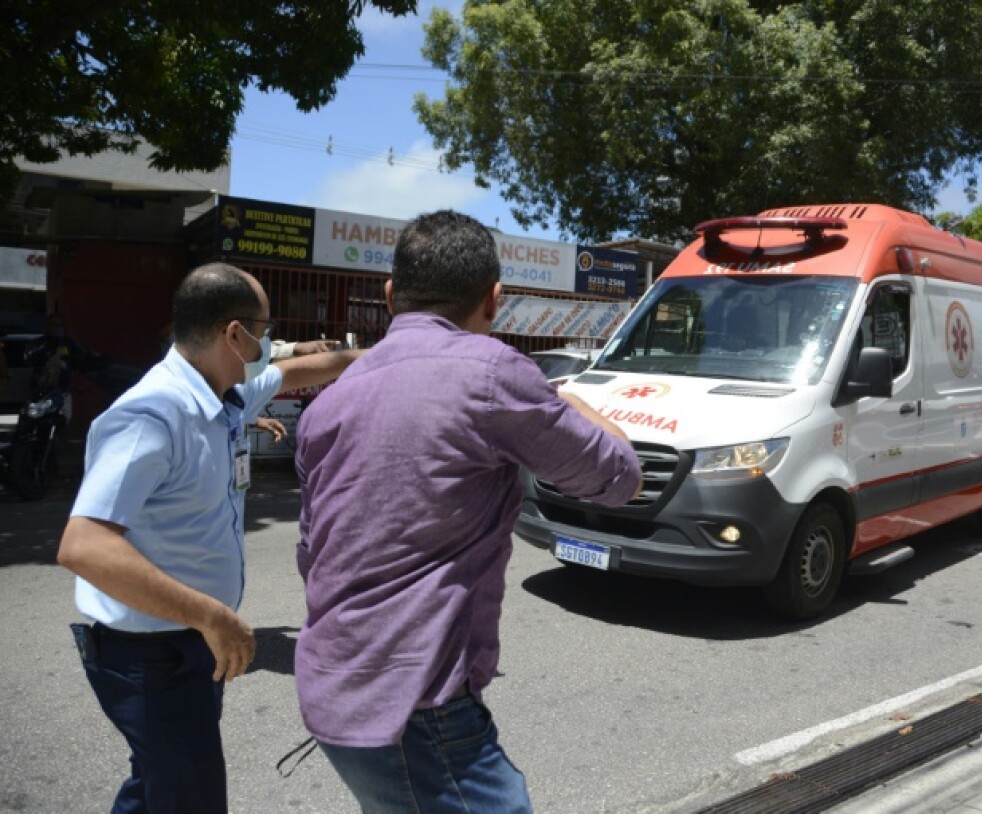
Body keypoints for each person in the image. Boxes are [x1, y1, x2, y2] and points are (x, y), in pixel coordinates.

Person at [294, 210, 642, 813]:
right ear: (494, 300)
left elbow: (311, 552)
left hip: (332, 688)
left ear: (389, 295)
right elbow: (617, 477)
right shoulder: (494, 374)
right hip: (417, 704)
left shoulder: (329, 405)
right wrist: (574, 402)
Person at [56, 262, 363, 814]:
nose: (271, 344)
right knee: (191, 799)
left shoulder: (225, 395)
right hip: (150, 656)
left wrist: (379, 359)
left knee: (155, 786)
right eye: (265, 331)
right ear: (235, 335)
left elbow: (303, 371)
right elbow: (84, 546)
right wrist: (211, 616)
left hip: (190, 645)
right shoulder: (152, 416)